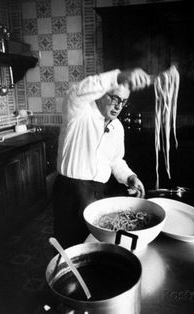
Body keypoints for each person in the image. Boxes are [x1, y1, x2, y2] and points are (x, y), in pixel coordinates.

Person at [53, 68, 151, 248]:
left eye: (123, 101)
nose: (118, 106)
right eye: (114, 98)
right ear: (99, 94)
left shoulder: (117, 127)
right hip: (71, 193)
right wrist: (120, 76)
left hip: (98, 192)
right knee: (68, 247)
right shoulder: (79, 111)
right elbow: (77, 91)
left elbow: (116, 160)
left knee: (93, 245)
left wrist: (130, 177)